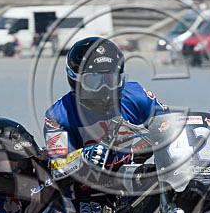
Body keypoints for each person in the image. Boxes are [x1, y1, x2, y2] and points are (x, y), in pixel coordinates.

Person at [43, 37, 168, 184]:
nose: (105, 89)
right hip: (87, 189)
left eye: (110, 80)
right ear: (74, 79)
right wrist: (82, 157)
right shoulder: (57, 116)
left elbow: (169, 125)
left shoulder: (137, 95)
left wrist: (149, 139)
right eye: (94, 80)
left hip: (130, 176)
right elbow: (56, 167)